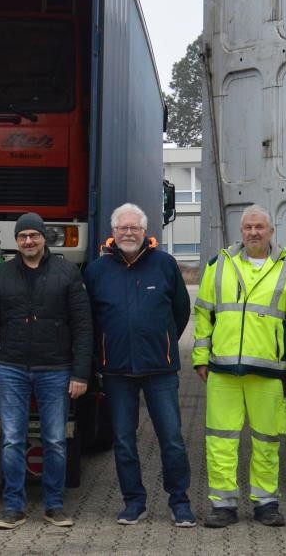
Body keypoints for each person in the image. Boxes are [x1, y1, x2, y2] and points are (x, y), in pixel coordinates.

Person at [193, 203, 286, 529]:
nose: (253, 233)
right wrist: (200, 358)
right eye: (248, 227)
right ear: (241, 231)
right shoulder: (219, 265)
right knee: (220, 441)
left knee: (267, 441)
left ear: (271, 232)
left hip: (269, 373)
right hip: (223, 371)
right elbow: (203, 314)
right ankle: (223, 505)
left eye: (260, 227)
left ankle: (266, 504)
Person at [84, 203, 194, 528]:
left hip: (160, 370)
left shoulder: (165, 265)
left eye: (134, 227)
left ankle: (180, 502)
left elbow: (181, 311)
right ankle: (134, 502)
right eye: (122, 228)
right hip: (117, 371)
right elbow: (88, 320)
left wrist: (163, 341)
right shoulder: (96, 271)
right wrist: (100, 354)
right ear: (113, 233)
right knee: (123, 440)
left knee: (172, 437)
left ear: (145, 232)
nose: (128, 232)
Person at [0, 212, 92, 531]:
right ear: (16, 241)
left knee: (55, 440)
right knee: (12, 440)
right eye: (22, 237)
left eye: (34, 235)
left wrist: (81, 374)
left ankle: (54, 506)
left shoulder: (67, 272)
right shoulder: (2, 275)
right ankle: (13, 507)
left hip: (55, 369)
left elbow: (83, 326)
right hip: (11, 369)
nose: (28, 241)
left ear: (45, 237)